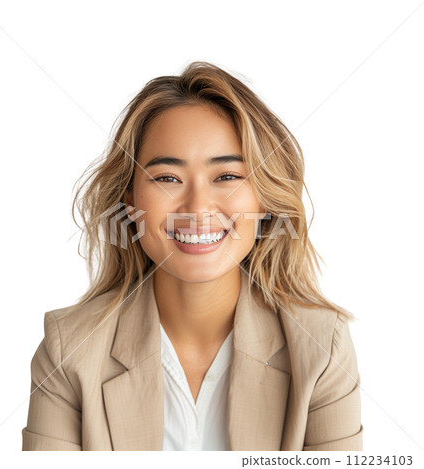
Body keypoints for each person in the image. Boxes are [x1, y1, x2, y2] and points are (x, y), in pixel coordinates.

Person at [22, 61, 363, 451]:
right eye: (167, 178)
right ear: (129, 200)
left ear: (264, 197)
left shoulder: (321, 347)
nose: (198, 208)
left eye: (227, 176)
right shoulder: (69, 348)